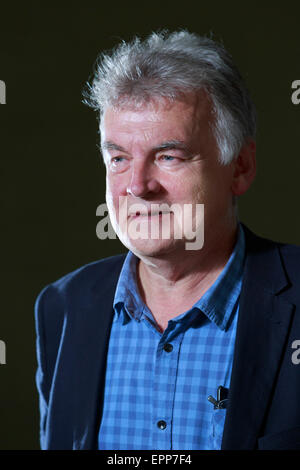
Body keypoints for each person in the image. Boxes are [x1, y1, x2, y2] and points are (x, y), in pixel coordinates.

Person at [34, 30, 300, 450]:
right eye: (118, 158)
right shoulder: (62, 307)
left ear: (241, 167)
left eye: (168, 156)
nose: (137, 186)